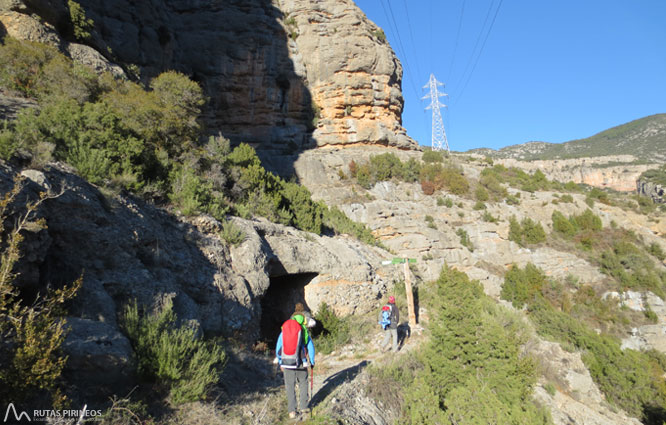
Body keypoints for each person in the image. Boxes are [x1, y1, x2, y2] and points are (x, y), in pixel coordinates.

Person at [276, 314, 316, 419]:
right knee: (303, 383)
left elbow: (278, 347)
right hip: (301, 363)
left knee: (290, 386)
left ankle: (292, 411)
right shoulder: (303, 331)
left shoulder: (284, 331)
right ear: (302, 321)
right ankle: (304, 407)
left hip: (287, 363)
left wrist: (281, 362)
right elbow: (310, 347)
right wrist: (311, 361)